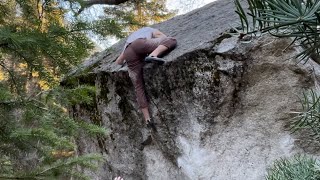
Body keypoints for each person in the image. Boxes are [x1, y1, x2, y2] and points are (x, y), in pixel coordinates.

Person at [115, 27, 177, 131]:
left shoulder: (129, 40)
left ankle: (147, 118)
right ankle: (154, 55)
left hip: (128, 53)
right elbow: (163, 37)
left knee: (138, 86)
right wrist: (153, 46)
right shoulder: (150, 29)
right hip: (140, 44)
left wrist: (128, 61)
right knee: (172, 40)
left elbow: (119, 61)